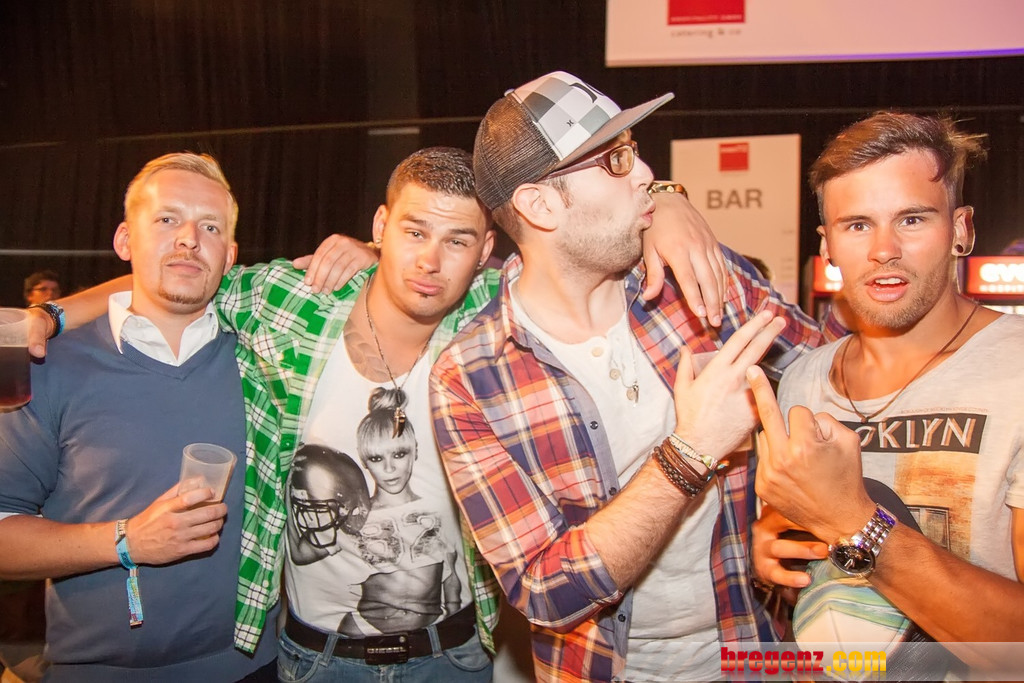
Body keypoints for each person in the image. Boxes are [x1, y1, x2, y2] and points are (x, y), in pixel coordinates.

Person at [26, 144, 726, 681]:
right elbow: (174, 273)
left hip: (454, 656)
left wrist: (665, 200)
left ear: (487, 253)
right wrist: (51, 316)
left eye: (457, 241)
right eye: (414, 231)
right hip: (314, 658)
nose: (430, 261)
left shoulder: (496, 320)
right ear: (381, 225)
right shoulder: (287, 301)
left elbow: (593, 246)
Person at [428, 70, 826, 682]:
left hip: (756, 649)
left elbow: (828, 375)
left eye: (632, 150)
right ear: (539, 205)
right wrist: (690, 452)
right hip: (607, 669)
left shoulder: (692, 276)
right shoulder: (470, 377)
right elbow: (544, 590)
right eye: (615, 160)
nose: (645, 172)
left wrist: (787, 505)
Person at [748, 112, 1024, 677]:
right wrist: (776, 551)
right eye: (857, 225)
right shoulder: (802, 382)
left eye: (912, 219)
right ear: (827, 245)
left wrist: (854, 522)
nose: (884, 250)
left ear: (962, 230)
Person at [0, 153, 278, 681]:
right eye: (167, 219)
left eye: (210, 227)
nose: (189, 239)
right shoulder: (47, 365)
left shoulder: (265, 359)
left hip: (254, 668)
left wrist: (364, 249)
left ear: (230, 256)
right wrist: (126, 541)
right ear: (126, 240)